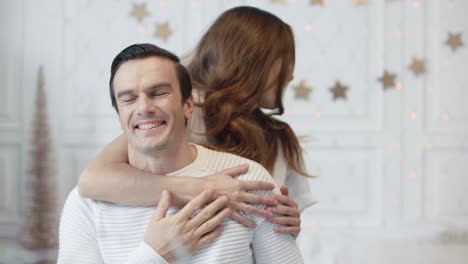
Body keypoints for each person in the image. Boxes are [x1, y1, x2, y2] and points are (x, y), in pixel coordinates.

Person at [79, 6, 315, 238]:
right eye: (285, 58)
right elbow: (93, 181)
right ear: (254, 61)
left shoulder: (281, 140)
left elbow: (276, 233)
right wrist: (203, 189)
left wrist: (288, 224)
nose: (291, 74)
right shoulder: (185, 114)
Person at [58, 43, 303, 263]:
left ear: (187, 106)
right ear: (119, 116)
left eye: (159, 93)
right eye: (129, 99)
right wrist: (154, 255)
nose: (144, 107)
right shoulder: (85, 204)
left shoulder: (244, 185)